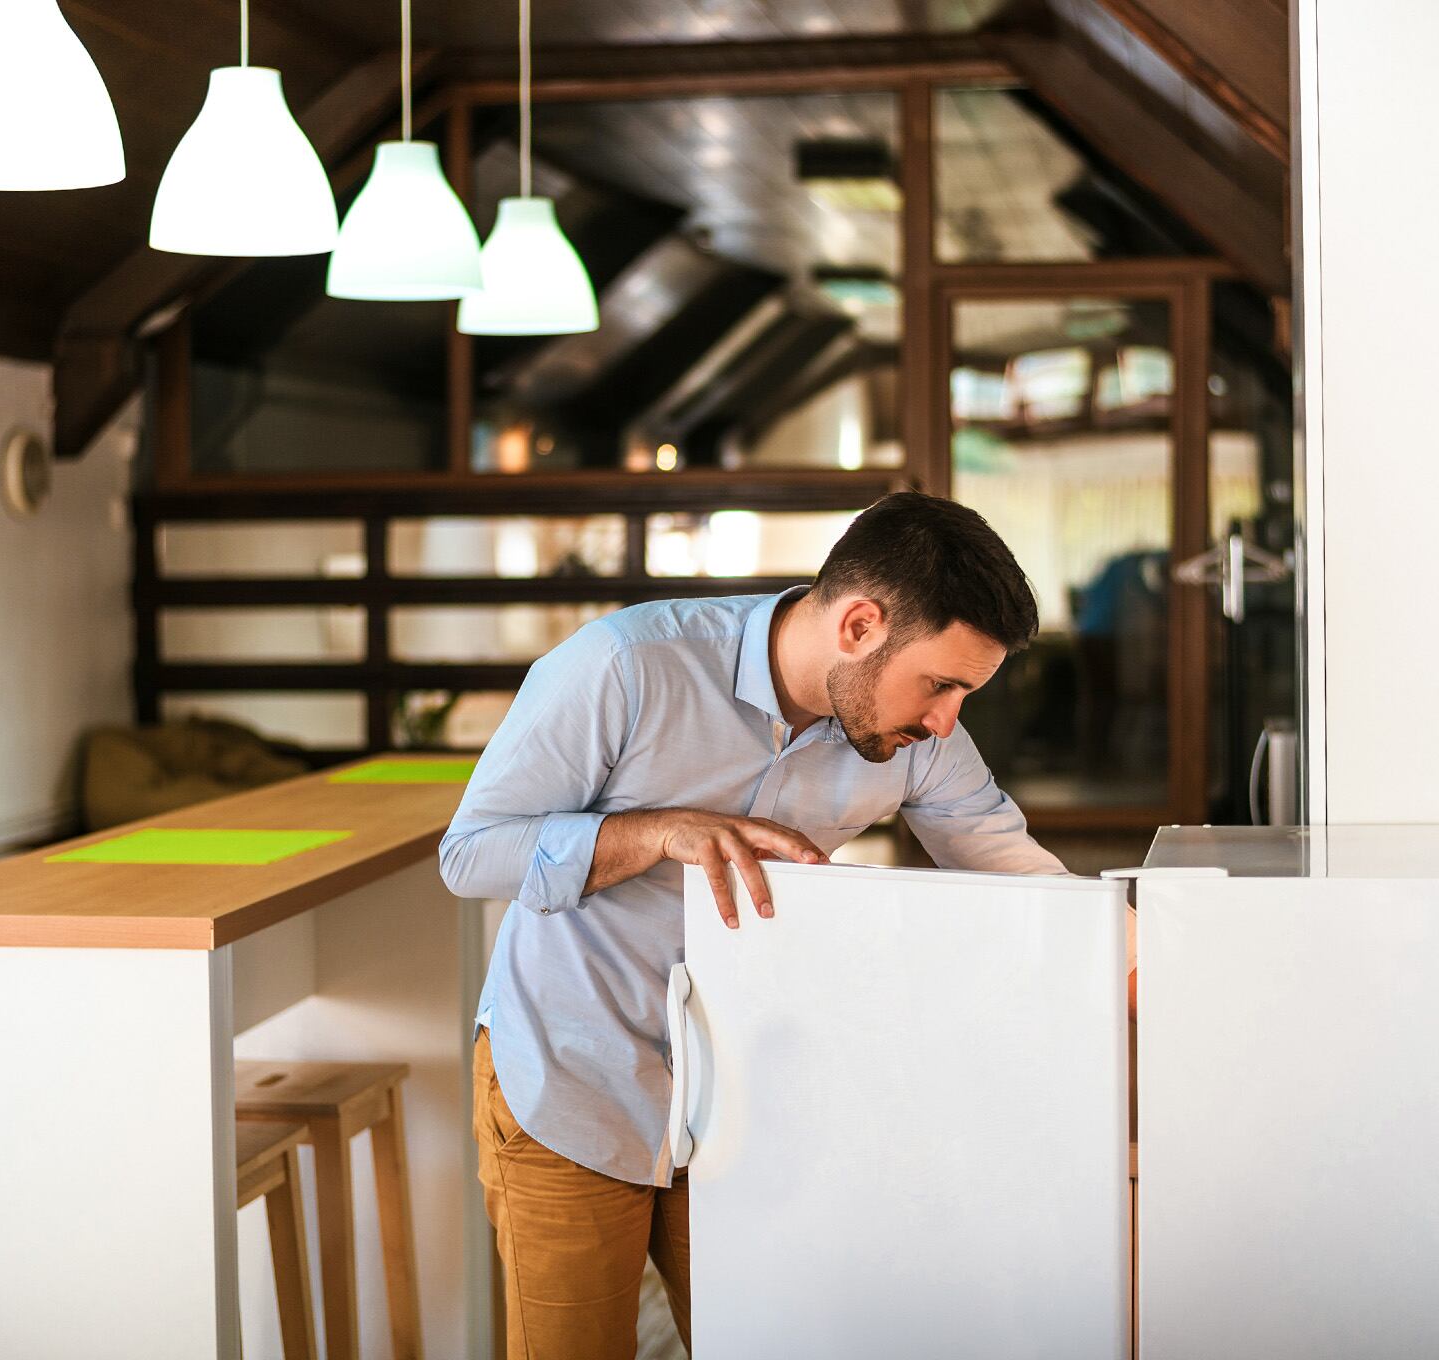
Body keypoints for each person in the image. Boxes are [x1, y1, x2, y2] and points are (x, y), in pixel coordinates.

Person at [441, 490, 1111, 1359]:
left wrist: (1138, 960)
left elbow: (1022, 879)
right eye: (941, 684)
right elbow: (472, 855)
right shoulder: (626, 666)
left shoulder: (920, 741)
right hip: (570, 1075)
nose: (947, 720)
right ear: (861, 625)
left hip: (747, 1103)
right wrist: (655, 832)